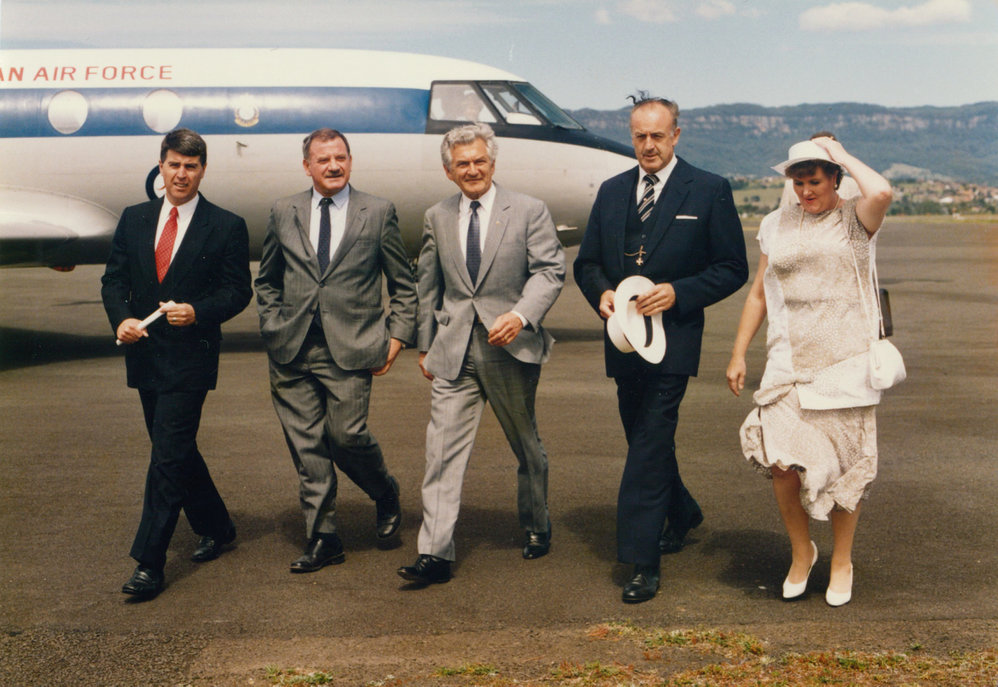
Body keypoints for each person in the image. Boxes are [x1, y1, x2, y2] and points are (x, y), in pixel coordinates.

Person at [574, 96, 748, 603]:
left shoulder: (710, 189)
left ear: (676, 136)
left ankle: (641, 561)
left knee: (649, 444)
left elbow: (732, 267)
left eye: (657, 136)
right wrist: (601, 292)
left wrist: (680, 292)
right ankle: (683, 510)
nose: (648, 146)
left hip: (674, 342)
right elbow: (586, 265)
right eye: (639, 136)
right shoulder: (610, 193)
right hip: (623, 339)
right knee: (642, 437)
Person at [726, 138, 892, 607]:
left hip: (845, 363)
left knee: (845, 470)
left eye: (814, 181)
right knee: (782, 465)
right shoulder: (775, 223)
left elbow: (881, 192)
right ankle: (803, 552)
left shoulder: (856, 218)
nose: (805, 191)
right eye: (797, 182)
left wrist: (841, 155)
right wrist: (739, 353)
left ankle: (842, 560)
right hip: (788, 361)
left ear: (835, 177)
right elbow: (759, 293)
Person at [397, 123, 565, 585]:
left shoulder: (529, 210)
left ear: (492, 163)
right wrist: (427, 344)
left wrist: (522, 315)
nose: (472, 170)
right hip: (454, 355)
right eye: (462, 164)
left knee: (525, 445)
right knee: (441, 454)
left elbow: (549, 272)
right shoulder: (436, 215)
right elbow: (427, 284)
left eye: (479, 161)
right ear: (448, 171)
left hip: (510, 348)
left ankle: (536, 525)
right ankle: (435, 554)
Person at [255, 128, 417, 573]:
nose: (333, 166)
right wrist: (272, 324)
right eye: (323, 159)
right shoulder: (283, 210)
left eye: (340, 157)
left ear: (350, 161)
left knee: (346, 437)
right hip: (291, 347)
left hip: (352, 347)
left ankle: (384, 491)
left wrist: (397, 336)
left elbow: (404, 285)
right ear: (307, 165)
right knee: (307, 447)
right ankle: (324, 536)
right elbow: (267, 279)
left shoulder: (378, 211)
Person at [101, 128, 252, 599]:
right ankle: (217, 525)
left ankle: (150, 562)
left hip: (192, 359)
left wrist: (198, 312)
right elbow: (113, 281)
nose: (181, 174)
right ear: (160, 167)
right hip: (146, 357)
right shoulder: (134, 218)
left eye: (190, 166)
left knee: (166, 456)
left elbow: (237, 291)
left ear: (202, 170)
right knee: (176, 450)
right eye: (173, 164)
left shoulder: (226, 225)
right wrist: (122, 318)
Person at [778, 132, 860, 209]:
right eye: (799, 183)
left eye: (815, 182)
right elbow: (784, 208)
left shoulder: (852, 184)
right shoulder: (789, 185)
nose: (806, 193)